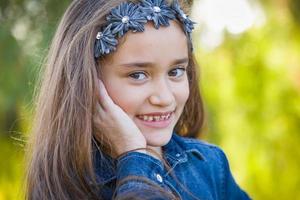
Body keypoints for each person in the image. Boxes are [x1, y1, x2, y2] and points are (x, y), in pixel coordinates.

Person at [25, 0, 251, 199]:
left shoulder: (209, 166)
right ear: (87, 81)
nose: (164, 98)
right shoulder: (66, 184)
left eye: (175, 71)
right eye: (138, 75)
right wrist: (135, 158)